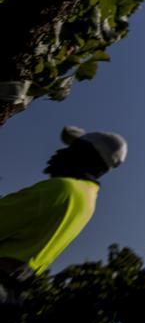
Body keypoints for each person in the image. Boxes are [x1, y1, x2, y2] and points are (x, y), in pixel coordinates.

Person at [0, 126, 128, 309]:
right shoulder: (87, 198)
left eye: (71, 148)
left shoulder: (61, 189)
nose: (59, 152)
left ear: (83, 154)